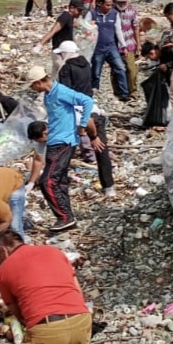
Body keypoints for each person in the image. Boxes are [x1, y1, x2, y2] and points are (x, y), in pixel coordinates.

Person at [26, 65, 103, 233]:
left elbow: (87, 101)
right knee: (59, 181)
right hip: (55, 141)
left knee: (48, 181)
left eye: (33, 85)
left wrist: (83, 125)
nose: (32, 89)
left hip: (64, 142)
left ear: (39, 82)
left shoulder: (60, 91)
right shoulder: (48, 95)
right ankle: (67, 218)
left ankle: (64, 217)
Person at [87, 0, 129, 101]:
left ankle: (124, 93)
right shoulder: (92, 14)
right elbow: (85, 29)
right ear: (100, 4)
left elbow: (118, 30)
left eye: (111, 5)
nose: (110, 7)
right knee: (96, 72)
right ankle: (93, 93)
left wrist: (124, 46)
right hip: (97, 48)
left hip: (111, 47)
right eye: (107, 5)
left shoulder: (115, 14)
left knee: (120, 68)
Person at [37, 0, 86, 67]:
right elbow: (53, 31)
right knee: (63, 73)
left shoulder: (70, 17)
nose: (80, 13)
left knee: (58, 75)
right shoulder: (65, 17)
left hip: (65, 51)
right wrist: (40, 45)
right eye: (79, 10)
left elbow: (69, 26)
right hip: (60, 52)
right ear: (72, 8)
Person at [115, 0, 141, 99]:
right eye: (119, 2)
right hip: (115, 45)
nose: (122, 4)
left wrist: (138, 44)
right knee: (116, 69)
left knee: (131, 69)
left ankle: (133, 90)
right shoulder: (112, 11)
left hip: (129, 42)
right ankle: (118, 91)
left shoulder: (132, 11)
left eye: (123, 2)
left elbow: (136, 28)